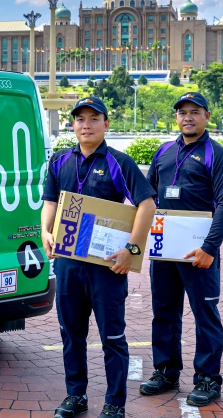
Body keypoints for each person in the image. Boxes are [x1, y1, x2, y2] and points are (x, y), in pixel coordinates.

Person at [42, 96, 157, 418]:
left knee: (112, 336)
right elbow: (49, 201)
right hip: (67, 264)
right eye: (80, 119)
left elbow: (146, 204)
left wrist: (132, 250)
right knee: (71, 333)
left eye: (94, 119)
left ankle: (114, 402)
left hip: (106, 267)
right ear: (73, 124)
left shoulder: (120, 162)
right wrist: (45, 231)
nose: (86, 125)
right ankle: (75, 395)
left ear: (106, 123)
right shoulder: (60, 162)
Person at [139, 91, 223, 407]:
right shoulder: (164, 152)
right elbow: (147, 196)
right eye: (182, 112)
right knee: (164, 311)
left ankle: (208, 379)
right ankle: (166, 371)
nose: (188, 117)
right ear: (176, 117)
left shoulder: (214, 154)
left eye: (195, 111)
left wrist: (210, 247)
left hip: (198, 252)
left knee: (205, 313)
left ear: (207, 116)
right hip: (164, 248)